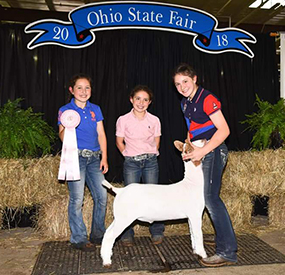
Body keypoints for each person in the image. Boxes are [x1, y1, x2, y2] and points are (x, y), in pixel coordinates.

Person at [173, 63, 238, 267]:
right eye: (177, 84)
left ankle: (227, 251)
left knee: (211, 198)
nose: (182, 87)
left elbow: (224, 130)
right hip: (201, 150)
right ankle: (224, 238)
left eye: (185, 81)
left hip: (214, 151)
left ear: (194, 79)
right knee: (208, 196)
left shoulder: (207, 98)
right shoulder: (185, 102)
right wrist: (189, 147)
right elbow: (192, 129)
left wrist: (202, 151)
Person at [58, 73, 108, 251]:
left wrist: (105, 157)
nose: (83, 91)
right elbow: (62, 134)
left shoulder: (96, 109)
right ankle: (79, 238)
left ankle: (98, 234)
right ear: (72, 90)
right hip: (75, 158)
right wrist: (67, 128)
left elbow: (101, 134)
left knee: (102, 197)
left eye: (87, 87)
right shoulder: (65, 110)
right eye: (79, 87)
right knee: (77, 199)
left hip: (95, 158)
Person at [116, 85, 165, 246]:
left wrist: (152, 152)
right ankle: (127, 233)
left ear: (149, 102)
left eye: (145, 99)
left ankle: (157, 231)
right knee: (129, 197)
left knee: (154, 196)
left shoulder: (155, 120)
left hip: (150, 162)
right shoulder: (123, 120)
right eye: (138, 98)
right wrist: (127, 154)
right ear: (131, 99)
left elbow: (157, 140)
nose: (141, 102)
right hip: (131, 163)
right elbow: (119, 141)